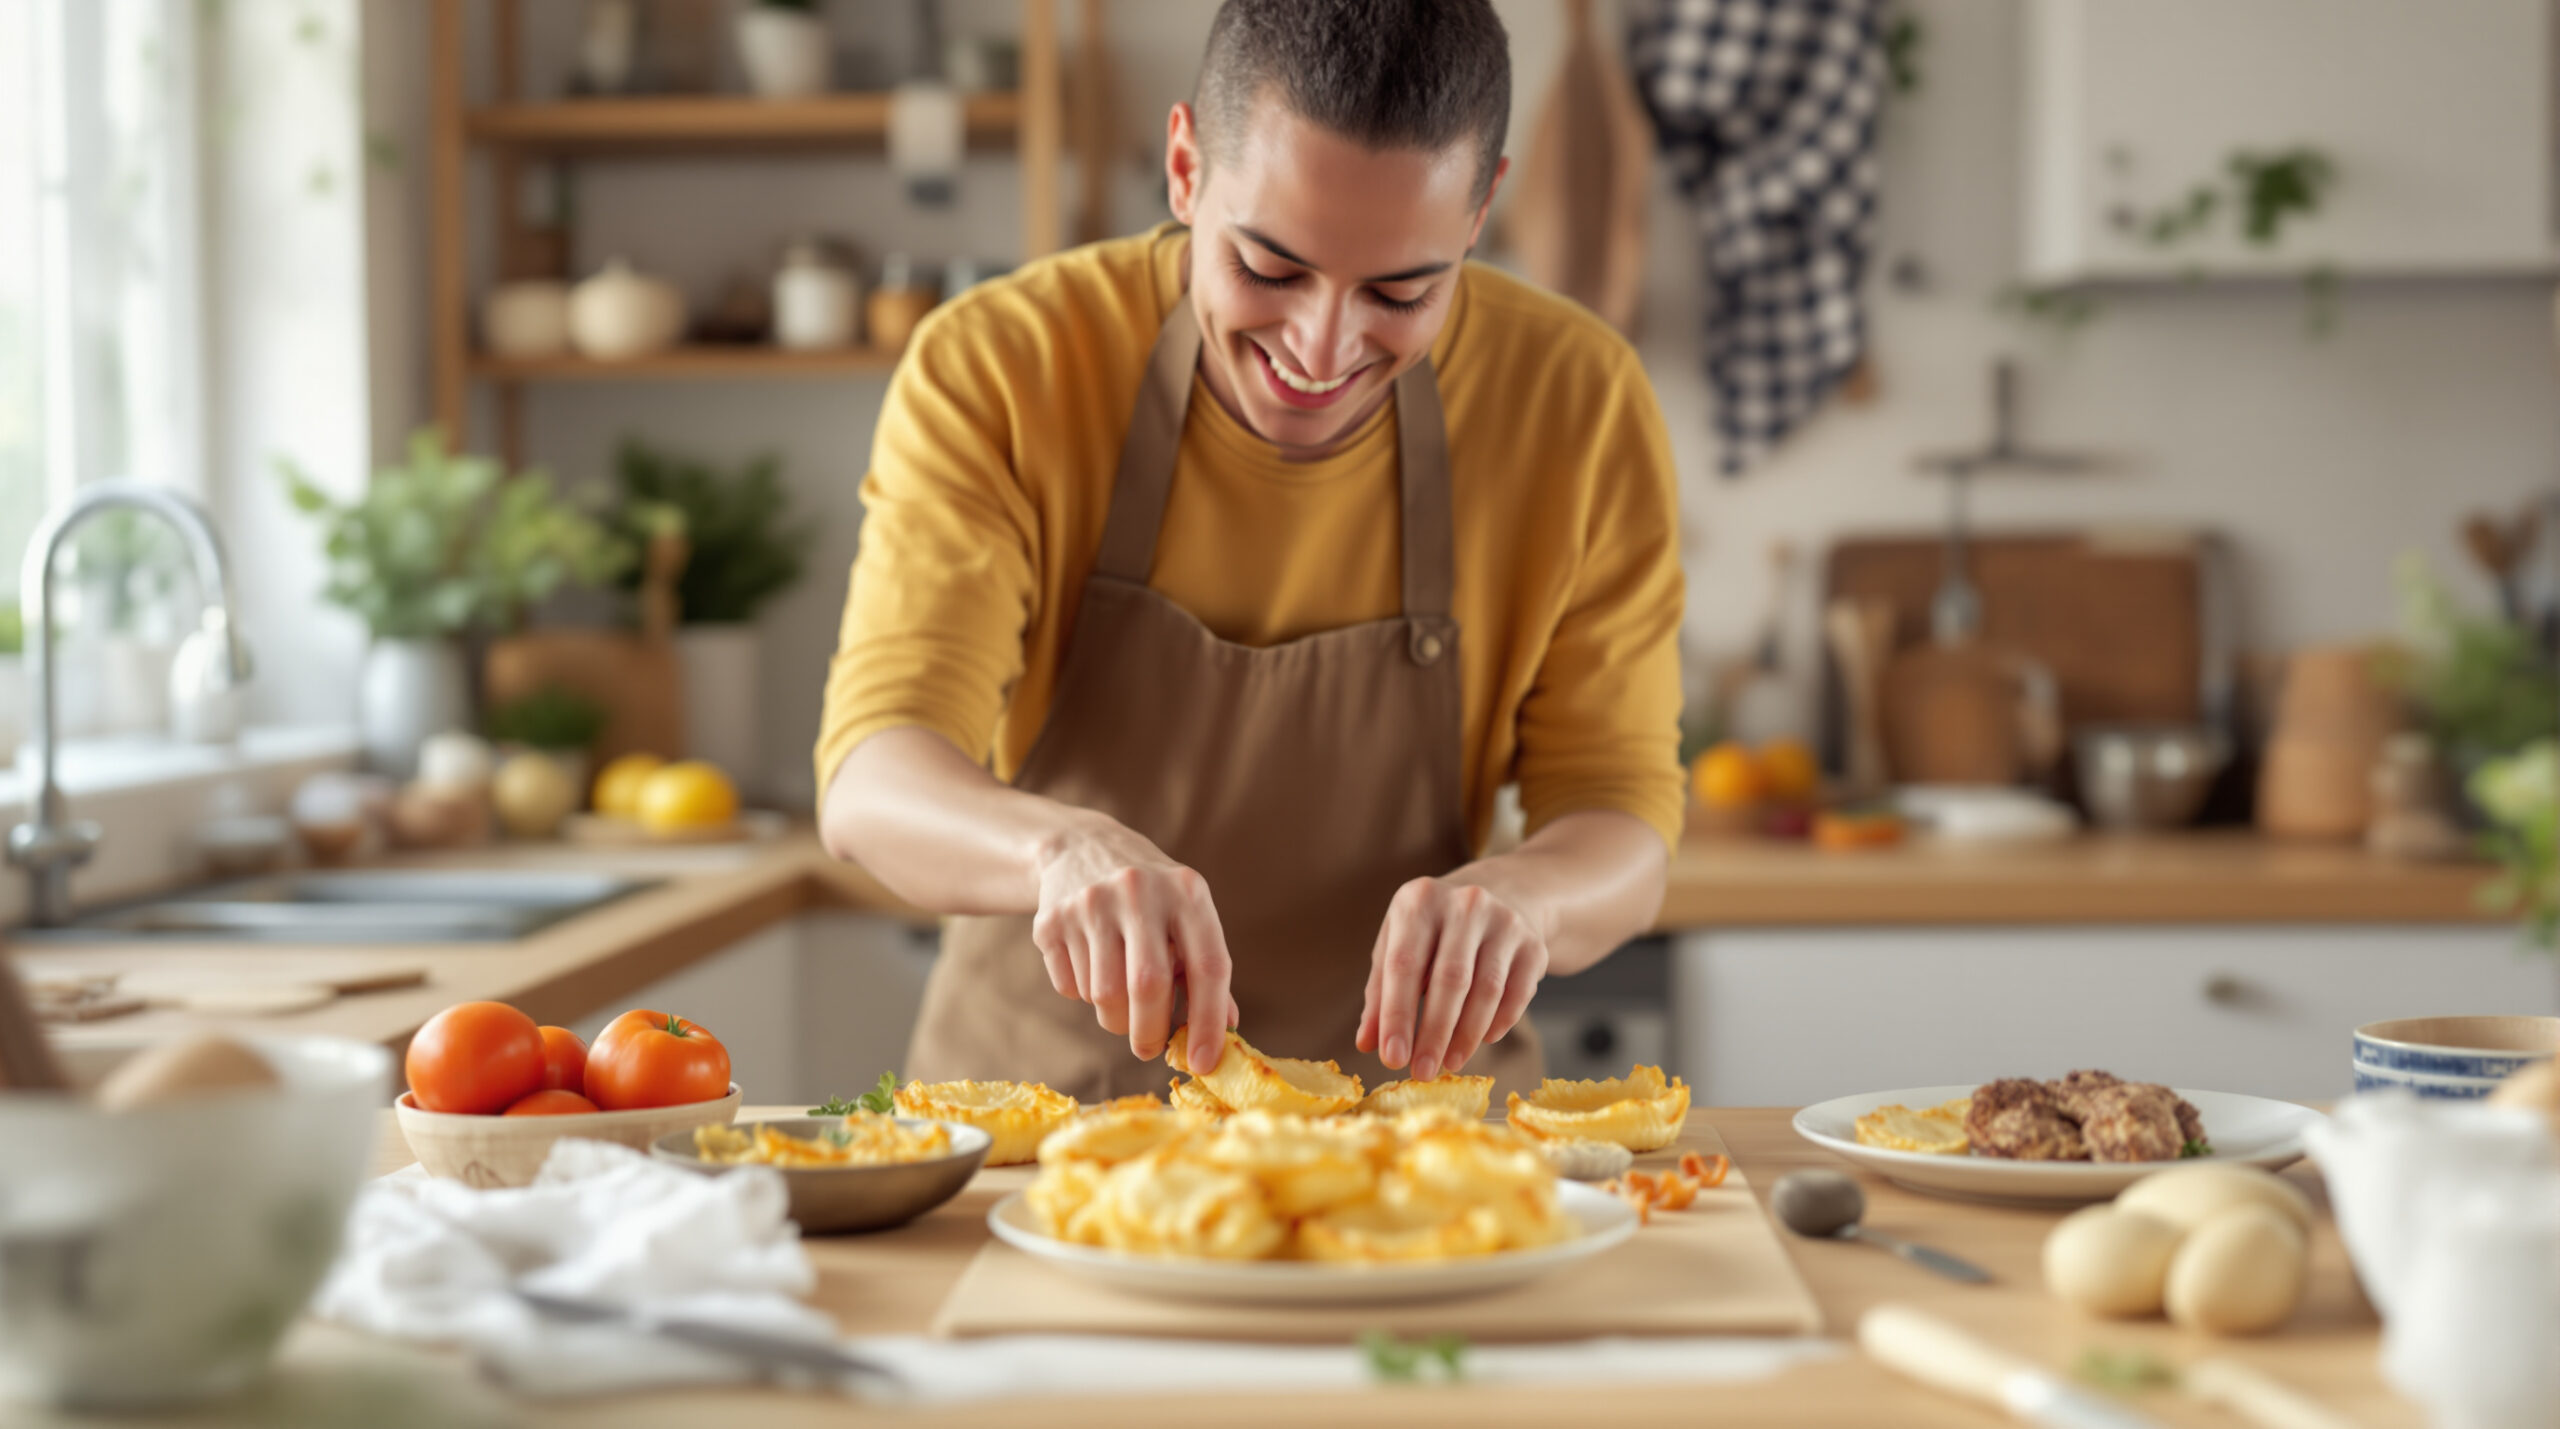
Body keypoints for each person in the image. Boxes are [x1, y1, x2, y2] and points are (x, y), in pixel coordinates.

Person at [817, 0, 1684, 1101]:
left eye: (1400, 292)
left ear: (1480, 211)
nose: (1321, 349)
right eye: (1269, 269)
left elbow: (1621, 815)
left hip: (1413, 1143)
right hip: (1050, 1126)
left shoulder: (1578, 401)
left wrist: (1531, 895)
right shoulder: (1002, 366)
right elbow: (871, 775)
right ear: (1185, 168)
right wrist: (1056, 852)